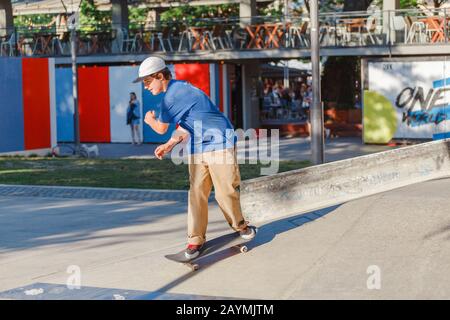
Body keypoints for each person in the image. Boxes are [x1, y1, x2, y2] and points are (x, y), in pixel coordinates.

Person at [134, 56, 256, 259]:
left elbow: (161, 127)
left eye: (147, 81)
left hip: (220, 143)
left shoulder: (174, 95)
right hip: (198, 146)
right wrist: (169, 144)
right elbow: (185, 125)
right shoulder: (179, 90)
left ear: (159, 76)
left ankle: (241, 226)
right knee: (196, 193)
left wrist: (149, 120)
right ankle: (195, 239)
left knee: (224, 192)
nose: (146, 87)